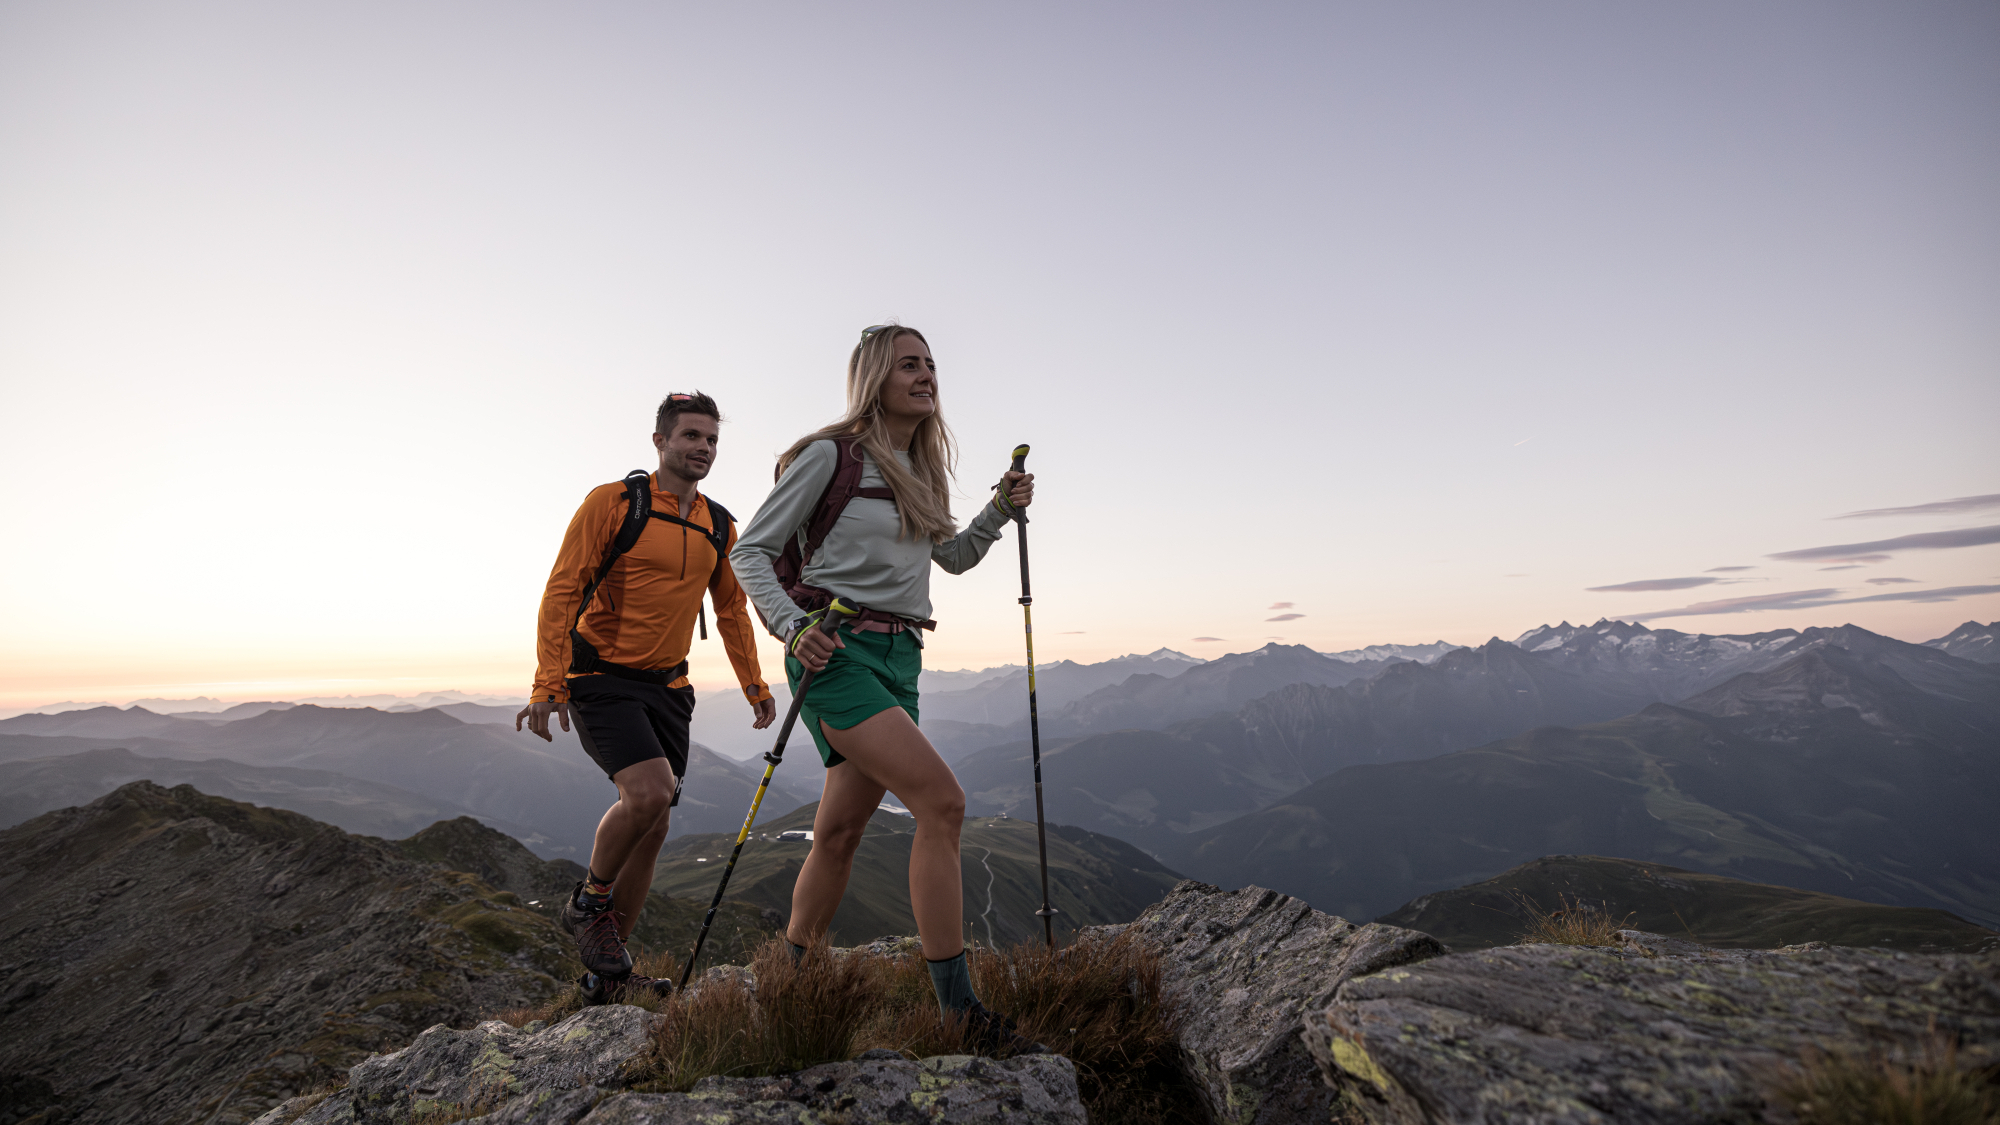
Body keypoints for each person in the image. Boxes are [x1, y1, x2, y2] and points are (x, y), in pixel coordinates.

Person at [731, 325, 1036, 1044]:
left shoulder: (918, 468)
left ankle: (786, 984)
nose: (927, 374)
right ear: (876, 377)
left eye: (931, 364)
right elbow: (750, 549)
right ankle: (960, 1014)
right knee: (944, 803)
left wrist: (998, 508)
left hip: (903, 659)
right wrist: (790, 626)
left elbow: (952, 558)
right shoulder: (827, 457)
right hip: (835, 653)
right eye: (910, 364)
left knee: (837, 833)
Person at [517, 391, 776, 994]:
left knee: (654, 824)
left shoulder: (719, 524)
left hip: (669, 687)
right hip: (600, 678)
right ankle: (588, 904)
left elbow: (733, 608)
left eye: (711, 440)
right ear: (660, 441)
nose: (702, 449)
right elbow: (562, 590)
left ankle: (609, 977)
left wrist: (754, 683)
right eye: (690, 436)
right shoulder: (613, 504)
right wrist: (547, 682)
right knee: (649, 792)